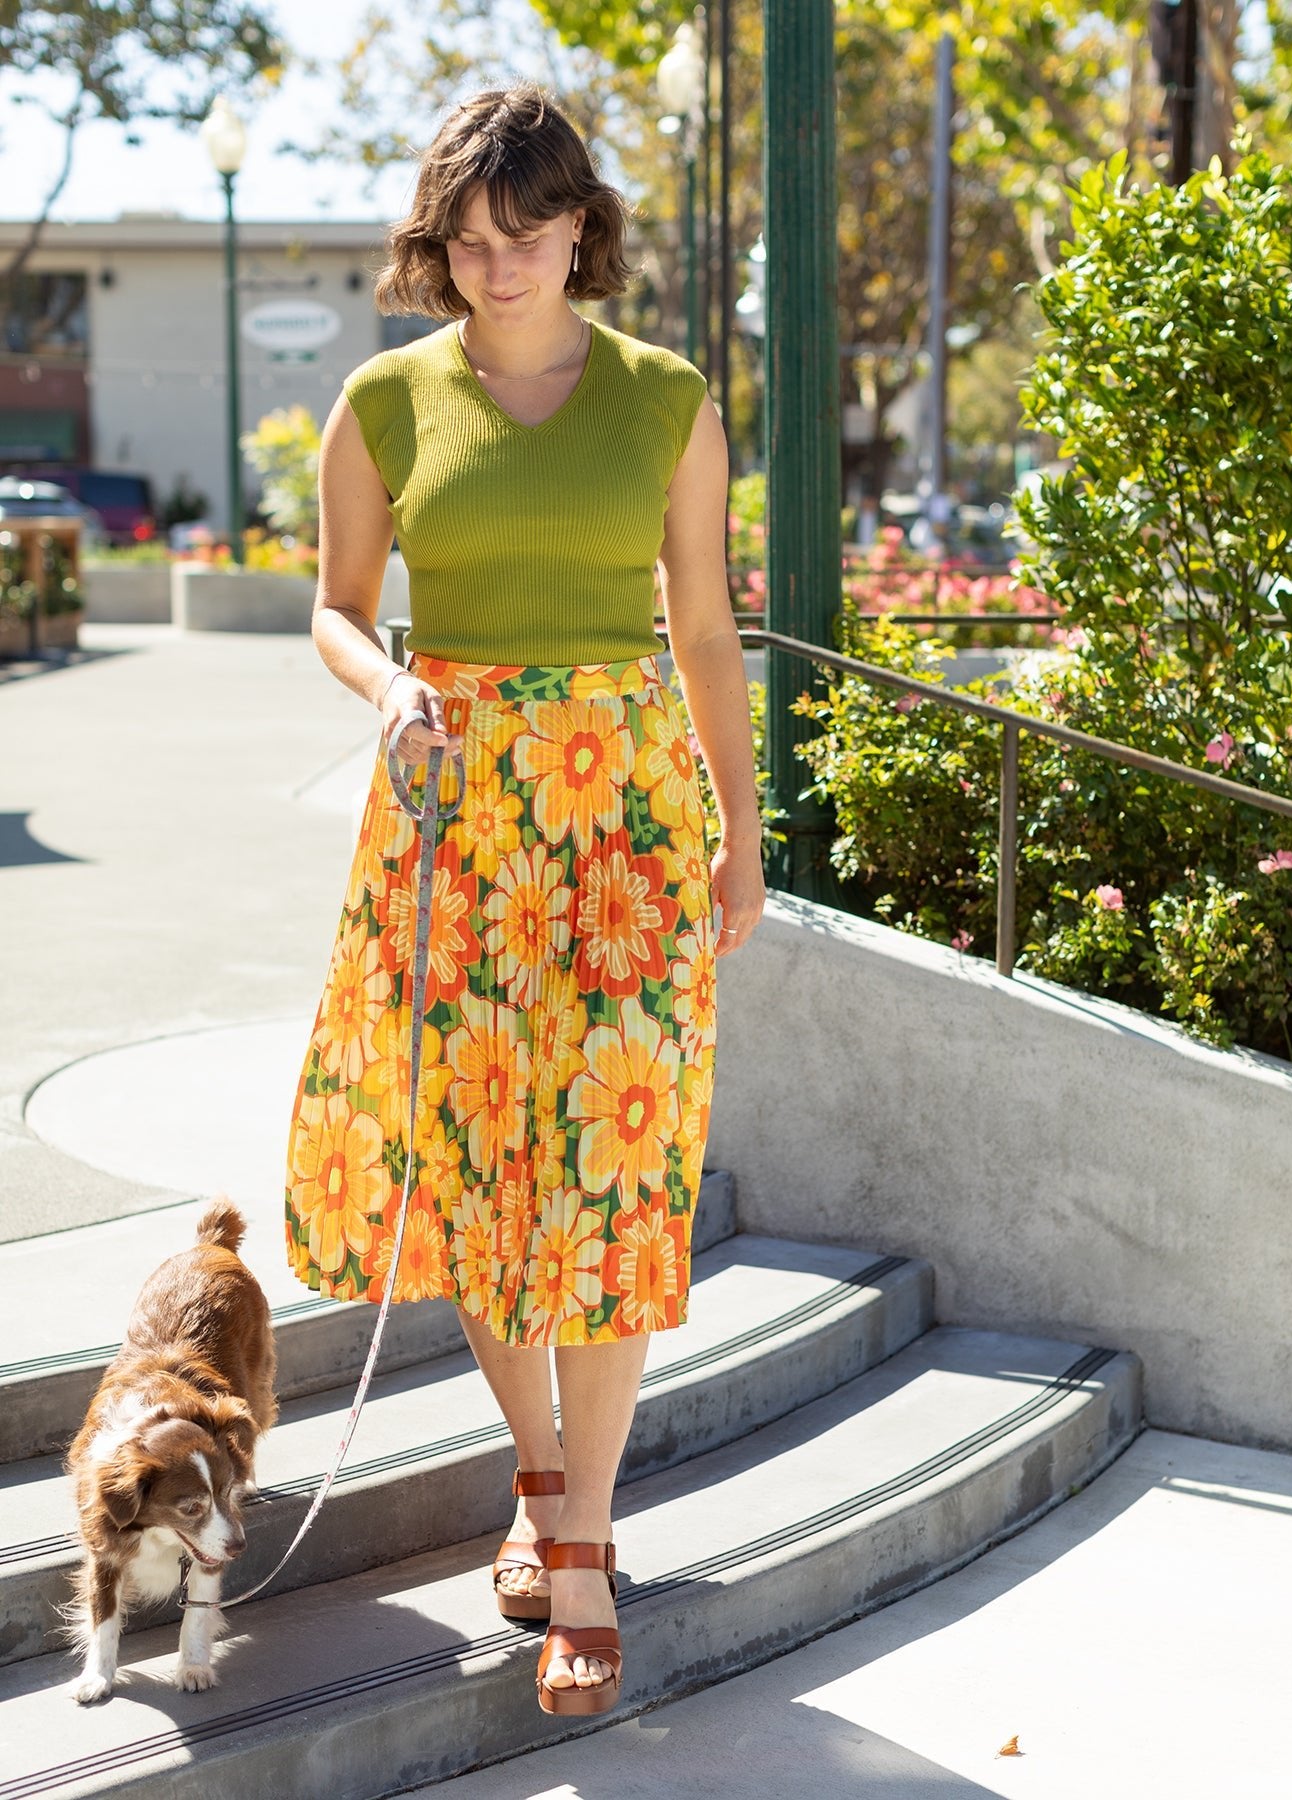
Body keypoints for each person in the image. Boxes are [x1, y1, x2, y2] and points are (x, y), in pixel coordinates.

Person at [282, 82, 765, 1720]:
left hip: (627, 814)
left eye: (529, 235)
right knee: (489, 1162)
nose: (499, 268)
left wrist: (741, 835)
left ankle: (582, 1531)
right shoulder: (383, 403)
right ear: (443, 245)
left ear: (581, 230)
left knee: (614, 1179)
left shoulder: (672, 401)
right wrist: (386, 691)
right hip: (457, 812)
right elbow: (341, 612)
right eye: (471, 243)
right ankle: (550, 1496)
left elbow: (703, 634)